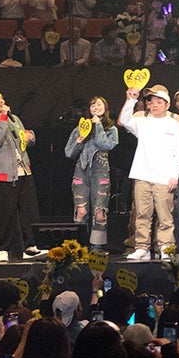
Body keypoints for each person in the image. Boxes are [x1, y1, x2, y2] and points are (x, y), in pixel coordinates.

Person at [120, 85, 179, 261]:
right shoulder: (142, 121)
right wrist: (131, 100)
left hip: (164, 177)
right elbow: (124, 120)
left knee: (165, 215)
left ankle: (166, 247)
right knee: (142, 214)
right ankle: (142, 247)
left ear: (167, 104)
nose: (154, 105)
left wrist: (175, 175)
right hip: (142, 175)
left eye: (159, 102)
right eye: (151, 102)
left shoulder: (174, 124)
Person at [0, 90, 41, 263]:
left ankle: (31, 245)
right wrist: (3, 119)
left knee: (29, 210)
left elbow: (25, 137)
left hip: (24, 170)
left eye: (2, 98)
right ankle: (3, 249)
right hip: (4, 174)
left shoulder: (14, 119)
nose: (1, 101)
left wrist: (30, 136)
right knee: (6, 213)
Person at [65, 97, 120, 251]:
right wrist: (78, 142)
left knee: (100, 212)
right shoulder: (80, 128)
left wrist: (98, 126)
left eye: (99, 104)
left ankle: (97, 247)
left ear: (105, 108)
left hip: (100, 172)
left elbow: (105, 145)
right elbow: (68, 153)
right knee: (81, 211)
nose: (96, 107)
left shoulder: (111, 129)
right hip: (81, 171)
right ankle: (79, 246)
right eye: (93, 105)